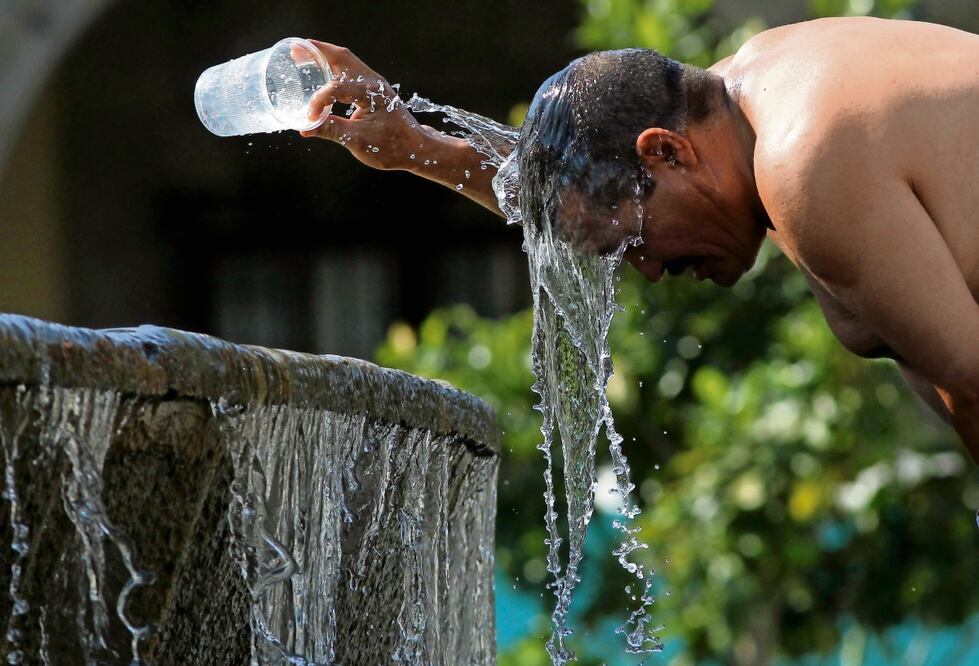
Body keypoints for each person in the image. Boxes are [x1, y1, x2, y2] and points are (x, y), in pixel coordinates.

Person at [296, 16, 979, 458]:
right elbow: (588, 193)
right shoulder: (760, 85)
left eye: (632, 244)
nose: (647, 270)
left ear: (667, 154)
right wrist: (415, 145)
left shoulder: (804, 165)